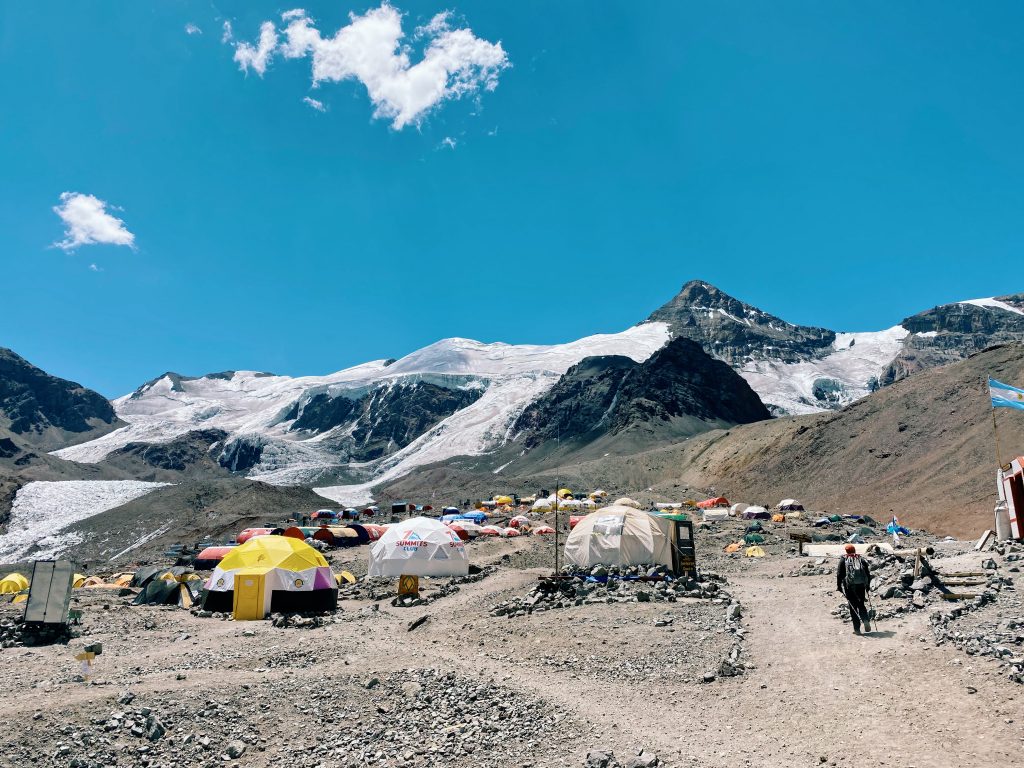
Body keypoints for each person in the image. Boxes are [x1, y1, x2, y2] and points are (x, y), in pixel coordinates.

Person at [837, 543, 872, 634]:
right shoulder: (860, 559)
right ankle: (865, 620)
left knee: (853, 607)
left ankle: (857, 629)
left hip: (849, 587)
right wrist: (867, 586)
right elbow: (867, 573)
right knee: (861, 604)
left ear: (846, 551)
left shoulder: (843, 559)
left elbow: (839, 574)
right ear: (854, 550)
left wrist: (839, 586)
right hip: (861, 586)